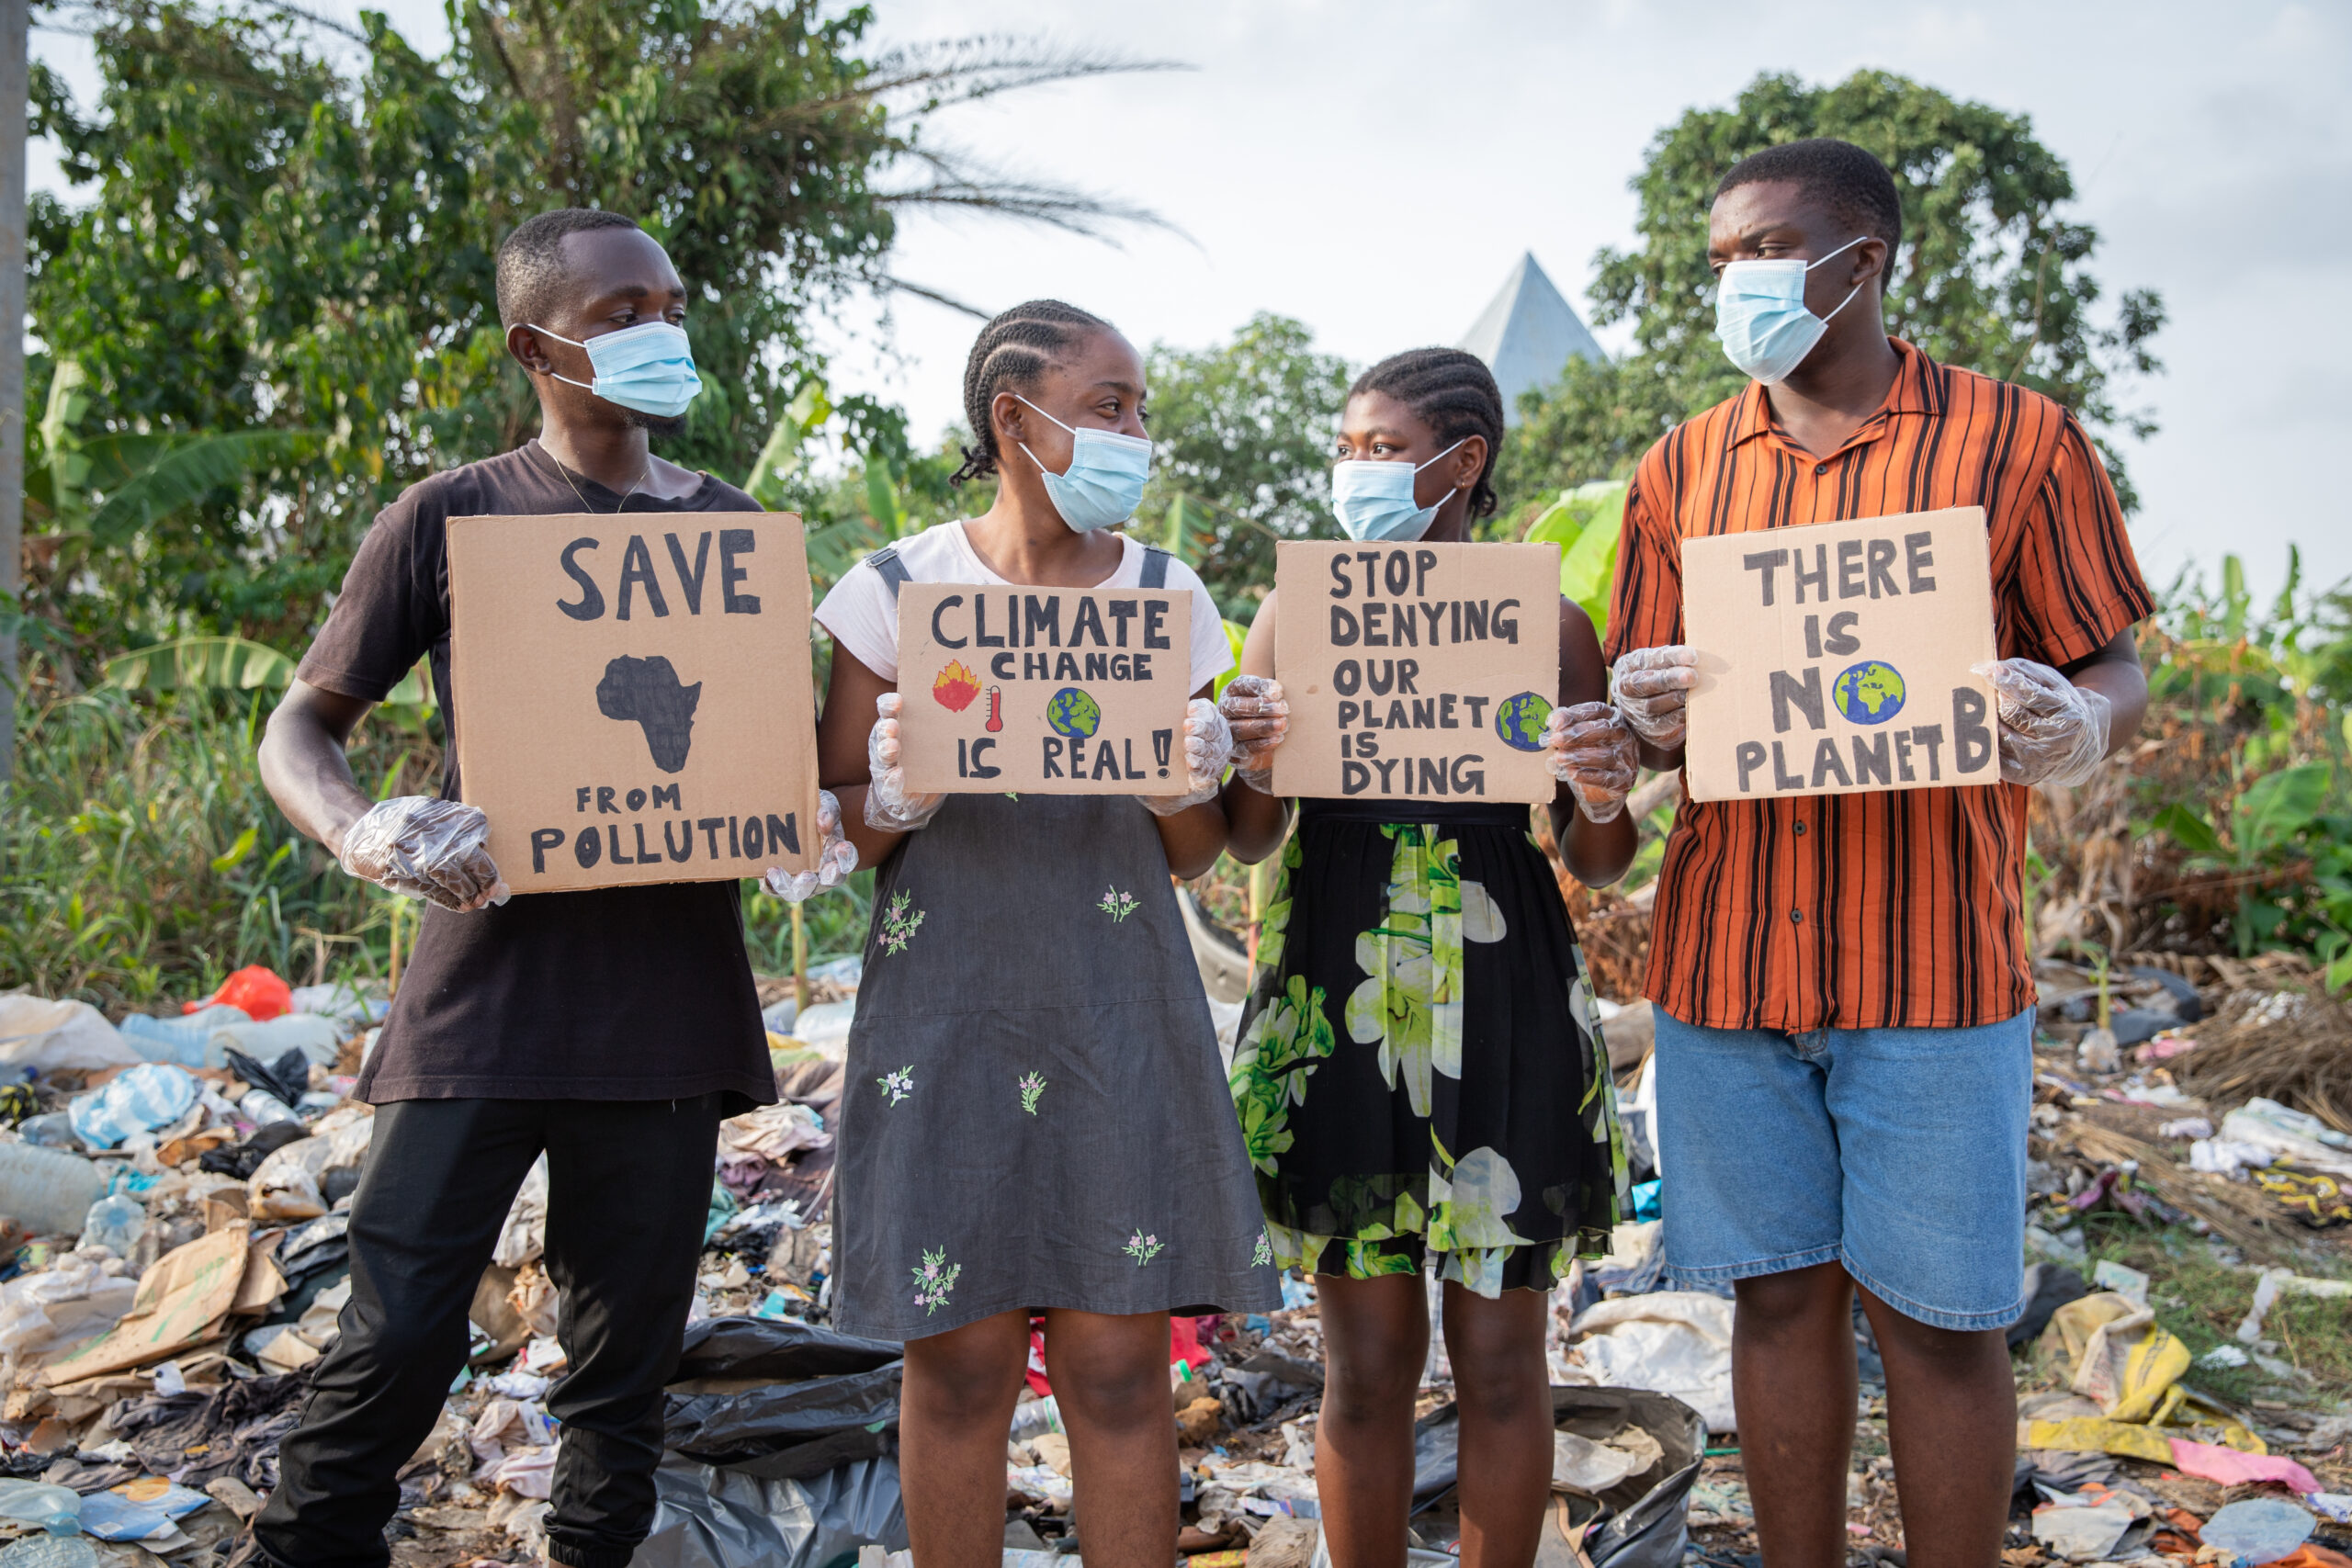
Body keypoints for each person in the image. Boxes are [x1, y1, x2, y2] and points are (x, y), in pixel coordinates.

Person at [252, 209, 854, 1568]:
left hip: (669, 1015)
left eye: (672, 306)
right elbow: (299, 727)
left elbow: (776, 758)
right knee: (395, 1335)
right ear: (536, 348)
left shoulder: (733, 531)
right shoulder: (451, 516)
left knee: (622, 1372)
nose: (662, 333)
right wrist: (363, 827)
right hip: (485, 1003)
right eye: (622, 314)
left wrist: (810, 817)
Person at [1603, 139, 2153, 1567]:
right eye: (1721, 258)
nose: (1737, 279)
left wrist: (2075, 723)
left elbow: (2111, 664)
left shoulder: (2019, 440)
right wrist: (1641, 716)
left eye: (1767, 250)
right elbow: (1649, 715)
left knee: (1941, 1323)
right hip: (1728, 963)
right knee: (1779, 1302)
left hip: (1936, 965)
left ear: (1864, 261)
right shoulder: (1680, 468)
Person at [811, 300, 1279, 1568]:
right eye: (1108, 407)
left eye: (1140, 410)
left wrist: (1182, 786)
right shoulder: (894, 592)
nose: (1136, 434)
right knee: (959, 1369)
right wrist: (894, 794)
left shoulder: (1166, 598)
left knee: (1121, 1370)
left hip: (1118, 1011)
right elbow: (840, 832)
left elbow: (1197, 852)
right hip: (944, 1015)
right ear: (1015, 419)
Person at [1216, 348, 1637, 1568]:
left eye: (1383, 450)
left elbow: (1598, 857)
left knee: (1505, 1362)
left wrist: (1602, 786)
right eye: (1346, 448)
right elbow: (1248, 835)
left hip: (1503, 992)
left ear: (1463, 463)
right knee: (1367, 1364)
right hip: (1336, 989)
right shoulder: (1295, 612)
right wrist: (1251, 756)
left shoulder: (1547, 624)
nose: (1354, 470)